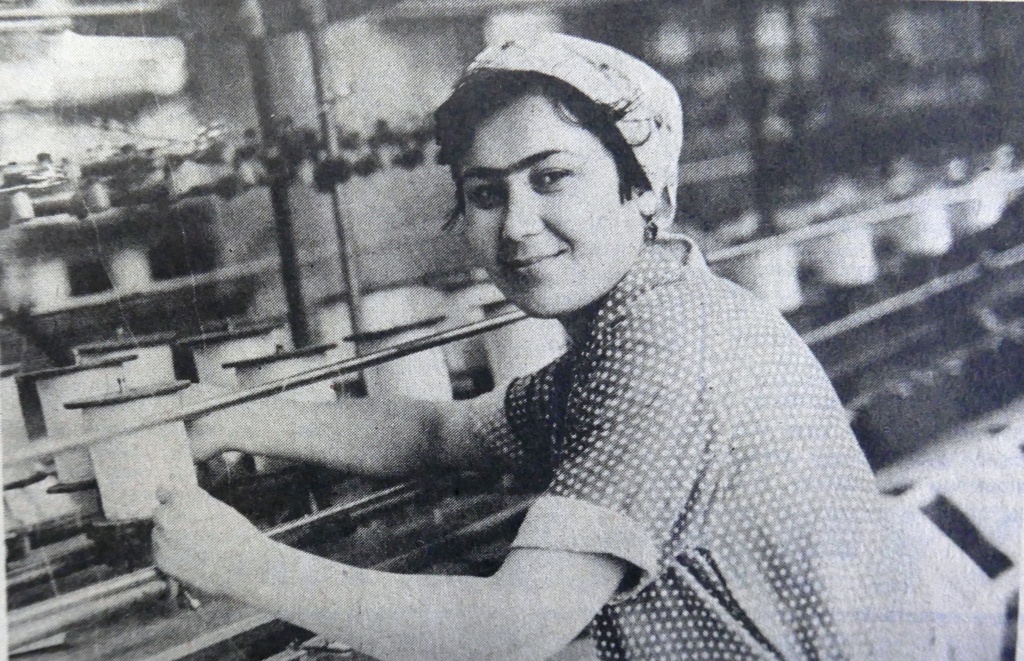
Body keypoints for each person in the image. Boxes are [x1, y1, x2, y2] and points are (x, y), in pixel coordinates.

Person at [154, 34, 928, 660]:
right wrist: (232, 415)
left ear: (647, 192)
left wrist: (245, 564)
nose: (517, 226)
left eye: (551, 178)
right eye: (487, 193)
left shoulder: (662, 353)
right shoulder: (645, 320)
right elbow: (441, 432)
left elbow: (510, 627)